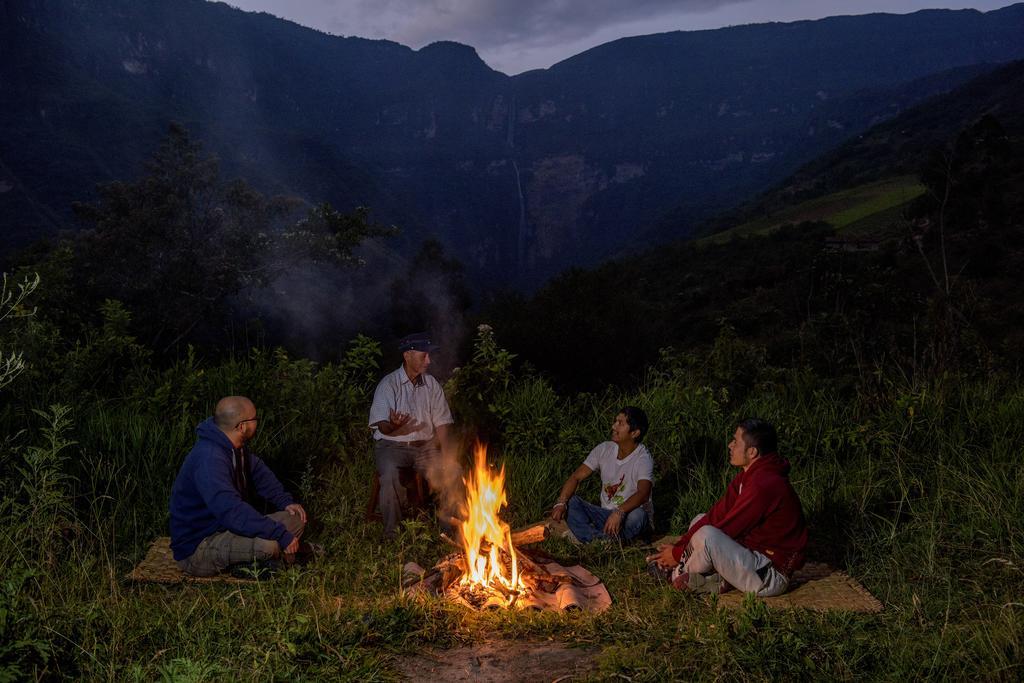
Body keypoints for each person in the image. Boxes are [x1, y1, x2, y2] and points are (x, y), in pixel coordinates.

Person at [648, 418, 807, 596]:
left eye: (736, 441)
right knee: (700, 519)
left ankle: (676, 572)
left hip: (768, 574)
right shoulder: (748, 476)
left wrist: (677, 555)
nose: (730, 445)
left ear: (752, 451)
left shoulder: (764, 484)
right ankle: (715, 580)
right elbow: (714, 516)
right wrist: (680, 545)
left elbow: (729, 528)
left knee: (708, 536)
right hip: (750, 556)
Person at [169, 396, 307, 576]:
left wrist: (285, 502)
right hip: (199, 546)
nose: (258, 422)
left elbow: (258, 472)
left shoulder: (234, 447)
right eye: (255, 418)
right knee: (269, 544)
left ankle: (272, 560)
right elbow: (231, 511)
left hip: (227, 528)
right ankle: (254, 566)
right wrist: (279, 535)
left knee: (295, 519)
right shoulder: (209, 459)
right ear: (242, 426)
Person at [369, 332, 459, 538]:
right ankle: (393, 535)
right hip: (391, 446)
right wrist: (393, 425)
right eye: (424, 355)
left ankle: (449, 532)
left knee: (453, 471)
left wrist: (447, 456)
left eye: (430, 356)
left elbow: (443, 423)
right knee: (390, 473)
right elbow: (382, 426)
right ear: (408, 355)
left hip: (424, 447)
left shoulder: (431, 384)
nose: (429, 360)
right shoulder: (388, 385)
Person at [549, 407, 654, 543]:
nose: (613, 426)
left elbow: (643, 493)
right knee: (572, 502)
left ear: (634, 433)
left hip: (628, 515)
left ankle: (593, 539)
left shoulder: (643, 458)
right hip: (606, 516)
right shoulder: (604, 449)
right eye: (615, 421)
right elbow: (576, 477)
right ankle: (602, 541)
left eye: (620, 423)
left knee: (638, 515)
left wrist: (619, 512)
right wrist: (561, 502)